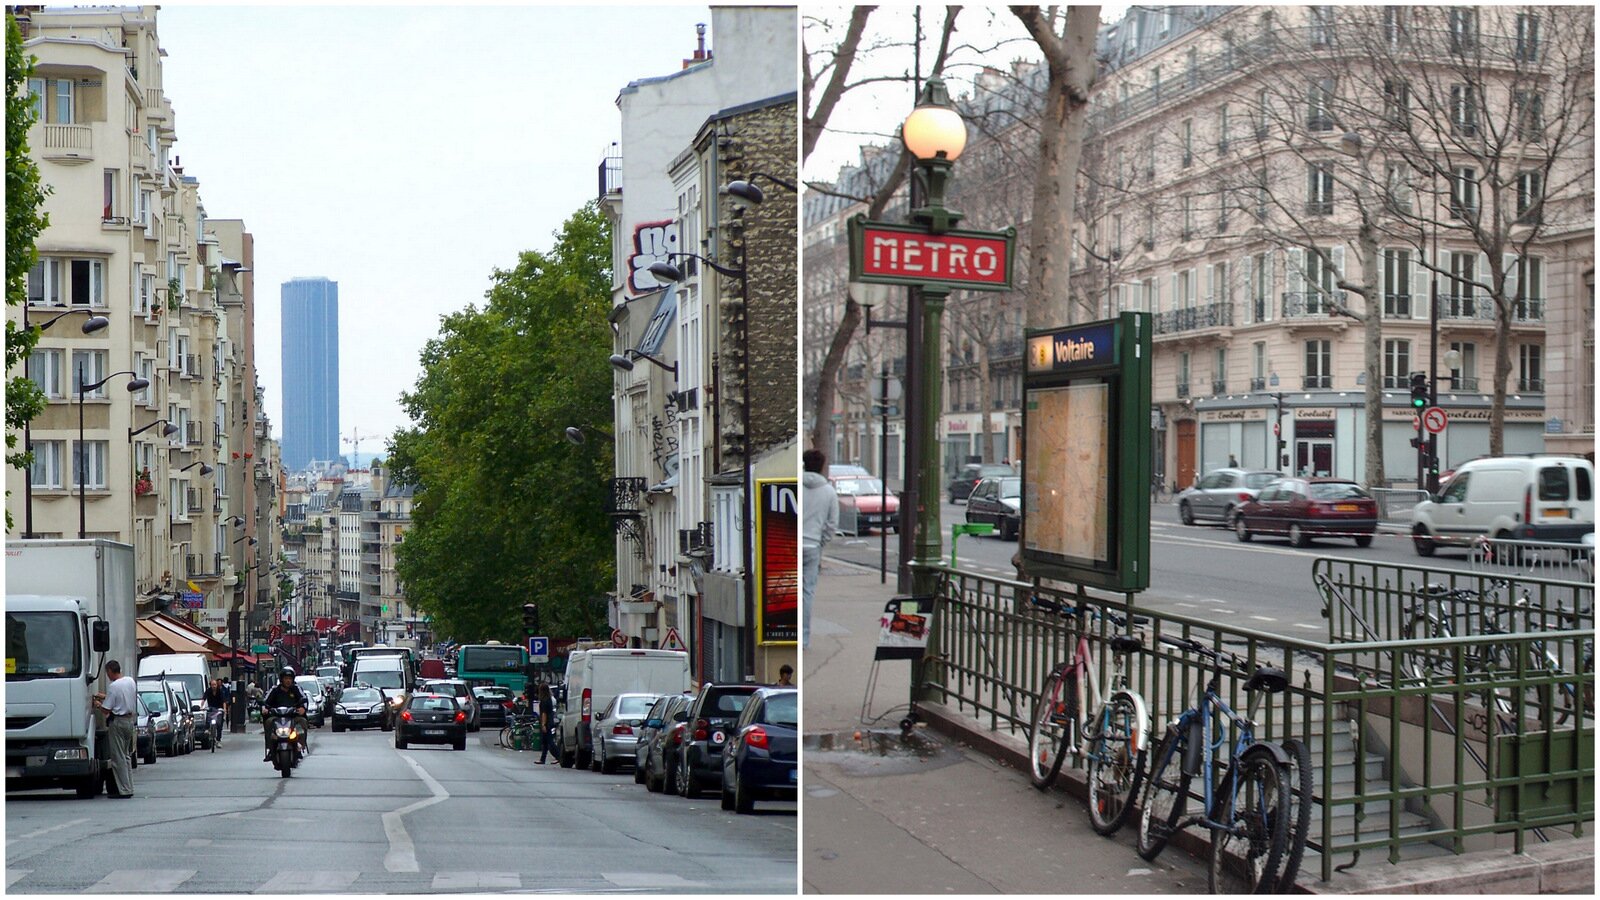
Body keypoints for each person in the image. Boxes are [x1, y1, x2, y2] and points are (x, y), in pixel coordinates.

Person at [801, 449, 839, 649]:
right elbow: (832, 523)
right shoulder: (829, 492)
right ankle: (804, 638)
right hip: (812, 545)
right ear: (822, 466)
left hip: (792, 545)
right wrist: (821, 541)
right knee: (807, 592)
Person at [92, 659, 138, 798]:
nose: (108, 676)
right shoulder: (130, 681)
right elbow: (122, 699)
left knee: (118, 758)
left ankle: (123, 790)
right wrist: (104, 696)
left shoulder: (113, 686)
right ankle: (129, 786)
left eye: (107, 673)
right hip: (129, 721)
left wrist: (97, 704)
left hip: (117, 722)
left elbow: (107, 709)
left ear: (111, 671)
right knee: (126, 756)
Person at [261, 667, 309, 761]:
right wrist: (265, 709)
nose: (288, 681)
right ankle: (270, 748)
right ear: (281, 679)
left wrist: (303, 708)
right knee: (268, 722)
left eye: (290, 679)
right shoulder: (275, 690)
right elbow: (265, 702)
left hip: (293, 717)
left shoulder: (296, 689)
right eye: (286, 678)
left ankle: (300, 746)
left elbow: (304, 699)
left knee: (302, 721)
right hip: (276, 717)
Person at [535, 683, 556, 764]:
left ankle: (558, 756)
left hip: (546, 723)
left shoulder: (544, 701)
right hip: (550, 722)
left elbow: (544, 713)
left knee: (549, 742)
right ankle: (542, 759)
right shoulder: (549, 699)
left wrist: (543, 724)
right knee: (545, 742)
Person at [204, 678, 228, 745]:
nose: (214, 686)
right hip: (211, 708)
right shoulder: (208, 691)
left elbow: (223, 701)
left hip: (219, 709)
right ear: (210, 685)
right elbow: (204, 698)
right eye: (212, 685)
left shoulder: (220, 691)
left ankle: (218, 740)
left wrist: (224, 709)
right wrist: (201, 706)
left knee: (219, 725)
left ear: (217, 685)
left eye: (215, 684)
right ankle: (207, 728)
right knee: (208, 716)